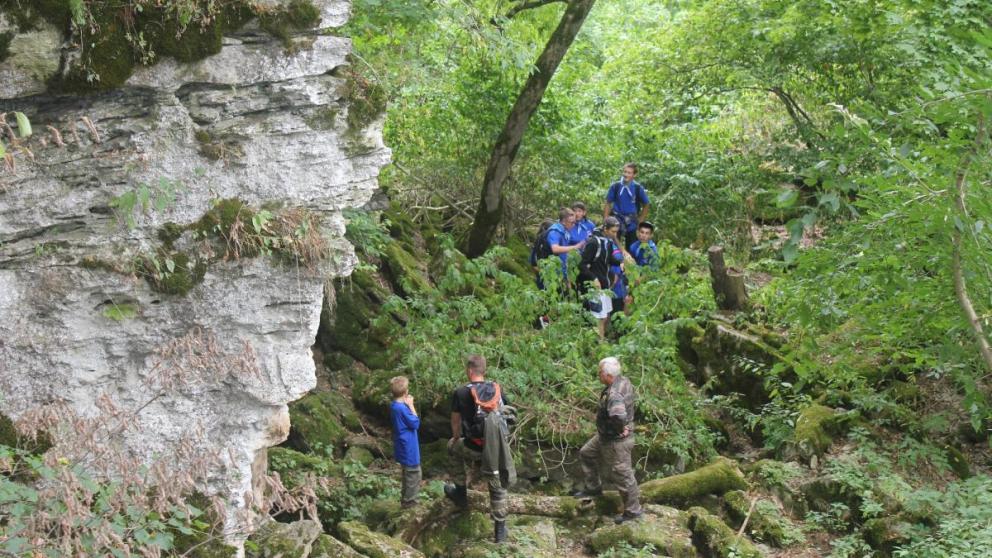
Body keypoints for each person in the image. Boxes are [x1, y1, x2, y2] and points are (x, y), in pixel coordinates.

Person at [444, 355, 516, 543]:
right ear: (484, 371)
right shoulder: (497, 389)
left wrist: (456, 438)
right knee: (497, 482)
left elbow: (455, 421)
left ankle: (460, 492)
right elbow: (509, 413)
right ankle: (500, 531)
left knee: (451, 448)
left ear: (469, 371)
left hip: (474, 447)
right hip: (497, 447)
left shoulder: (460, 392)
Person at [572, 357, 643, 525]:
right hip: (604, 436)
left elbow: (618, 415)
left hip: (616, 441)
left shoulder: (614, 394)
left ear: (607, 374)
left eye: (600, 372)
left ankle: (633, 511)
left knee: (623, 474)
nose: (598, 375)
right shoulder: (622, 381)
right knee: (586, 453)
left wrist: (620, 428)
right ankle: (594, 487)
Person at [578, 217, 624, 338]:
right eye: (613, 232)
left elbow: (608, 259)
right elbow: (582, 265)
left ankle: (601, 339)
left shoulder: (607, 242)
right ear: (605, 229)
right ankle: (600, 343)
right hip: (596, 287)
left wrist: (620, 263)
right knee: (599, 317)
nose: (615, 235)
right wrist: (594, 279)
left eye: (616, 232)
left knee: (606, 316)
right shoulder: (593, 243)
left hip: (605, 286)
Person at [389, 376, 421, 509]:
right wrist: (411, 405)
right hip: (408, 445)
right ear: (405, 392)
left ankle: (405, 499)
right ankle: (410, 502)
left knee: (406, 473)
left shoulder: (394, 405)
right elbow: (415, 423)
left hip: (401, 444)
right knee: (414, 473)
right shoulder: (402, 408)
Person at [603, 163, 650, 249]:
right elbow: (608, 202)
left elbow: (646, 204)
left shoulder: (637, 188)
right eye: (625, 172)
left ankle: (630, 261)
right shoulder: (616, 186)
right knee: (613, 247)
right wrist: (606, 219)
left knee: (632, 248)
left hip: (632, 222)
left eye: (629, 173)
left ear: (634, 175)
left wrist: (641, 220)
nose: (626, 174)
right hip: (616, 219)